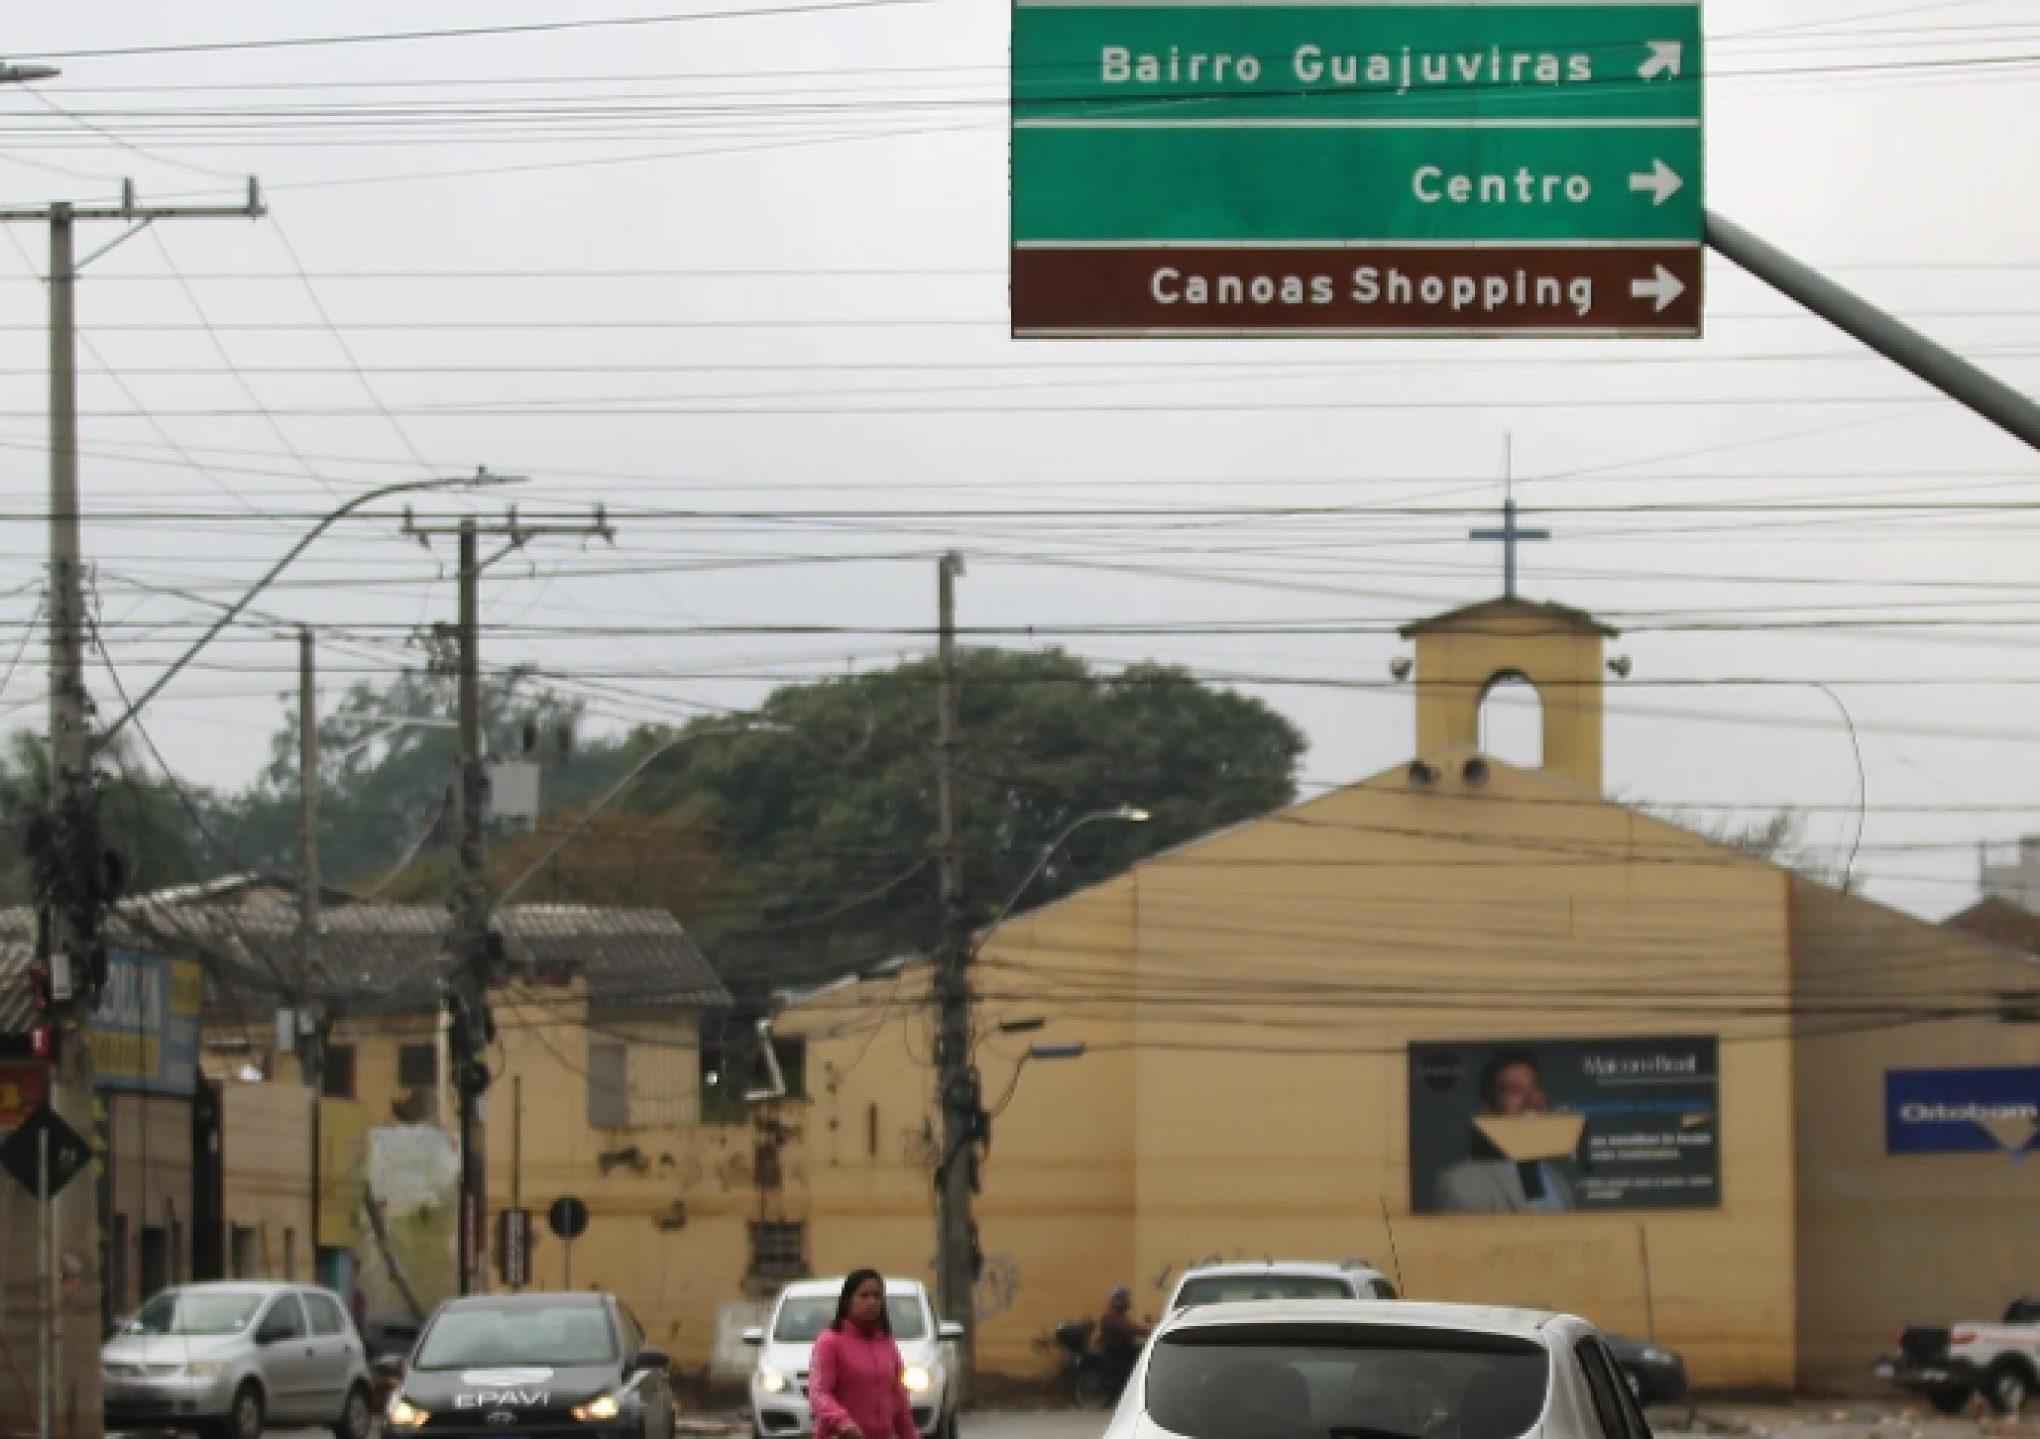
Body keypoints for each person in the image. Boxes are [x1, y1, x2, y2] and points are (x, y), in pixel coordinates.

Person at [1433, 1049, 1578, 1215]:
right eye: (1513, 1091)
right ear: (1487, 1111)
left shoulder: (1559, 1182)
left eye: (1535, 1087)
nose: (1532, 1100)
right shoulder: (1461, 1185)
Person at [808, 1270, 919, 1439]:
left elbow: (899, 1399)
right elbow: (818, 1393)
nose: (871, 1302)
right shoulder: (829, 1341)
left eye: (876, 1296)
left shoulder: (887, 1342)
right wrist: (843, 1422)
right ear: (848, 1301)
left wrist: (909, 1434)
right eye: (864, 1296)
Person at [1098, 1287, 1149, 1360]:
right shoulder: (1110, 1316)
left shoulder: (1119, 1315)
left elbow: (1131, 1326)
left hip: (1123, 1349)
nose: (1128, 1301)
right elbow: (1129, 1328)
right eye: (1125, 1299)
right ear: (1117, 1301)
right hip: (1116, 1354)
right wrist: (1148, 1331)